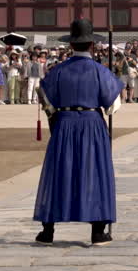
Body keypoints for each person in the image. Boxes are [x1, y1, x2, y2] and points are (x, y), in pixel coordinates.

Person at [34, 19, 121, 246]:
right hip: (92, 123)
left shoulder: (57, 71)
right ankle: (98, 230)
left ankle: (48, 230)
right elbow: (112, 106)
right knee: (95, 171)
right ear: (92, 44)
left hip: (64, 123)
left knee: (58, 172)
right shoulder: (101, 71)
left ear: (70, 44)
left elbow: (45, 99)